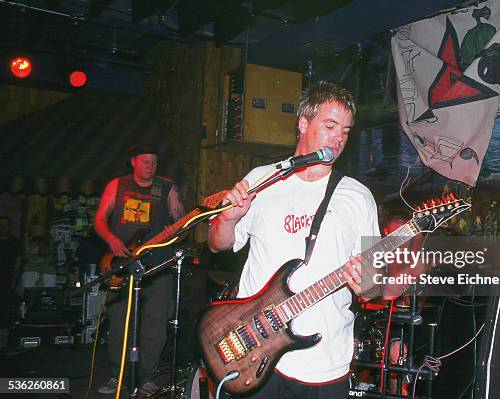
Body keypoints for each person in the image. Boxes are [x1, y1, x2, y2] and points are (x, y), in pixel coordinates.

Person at [208, 81, 380, 398]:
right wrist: (226, 218)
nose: (339, 138)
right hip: (253, 351)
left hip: (326, 361)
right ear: (303, 123)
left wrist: (370, 283)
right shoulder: (261, 178)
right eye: (330, 126)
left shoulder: (358, 196)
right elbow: (217, 244)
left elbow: (374, 282)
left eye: (345, 130)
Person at [94, 144, 185, 397]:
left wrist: (174, 231)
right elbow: (100, 219)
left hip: (158, 265)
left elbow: (182, 221)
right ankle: (118, 375)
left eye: (154, 163)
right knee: (119, 324)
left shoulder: (167, 187)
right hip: (122, 265)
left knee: (155, 326)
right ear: (133, 162)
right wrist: (111, 240)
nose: (150, 167)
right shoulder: (117, 185)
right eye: (145, 162)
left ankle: (147, 378)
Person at [0, 215, 22, 327]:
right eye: (1, 225)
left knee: (5, 306)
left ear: (9, 227)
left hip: (8, 278)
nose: (3, 227)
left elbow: (18, 262)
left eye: (5, 225)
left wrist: (14, 279)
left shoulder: (15, 243)